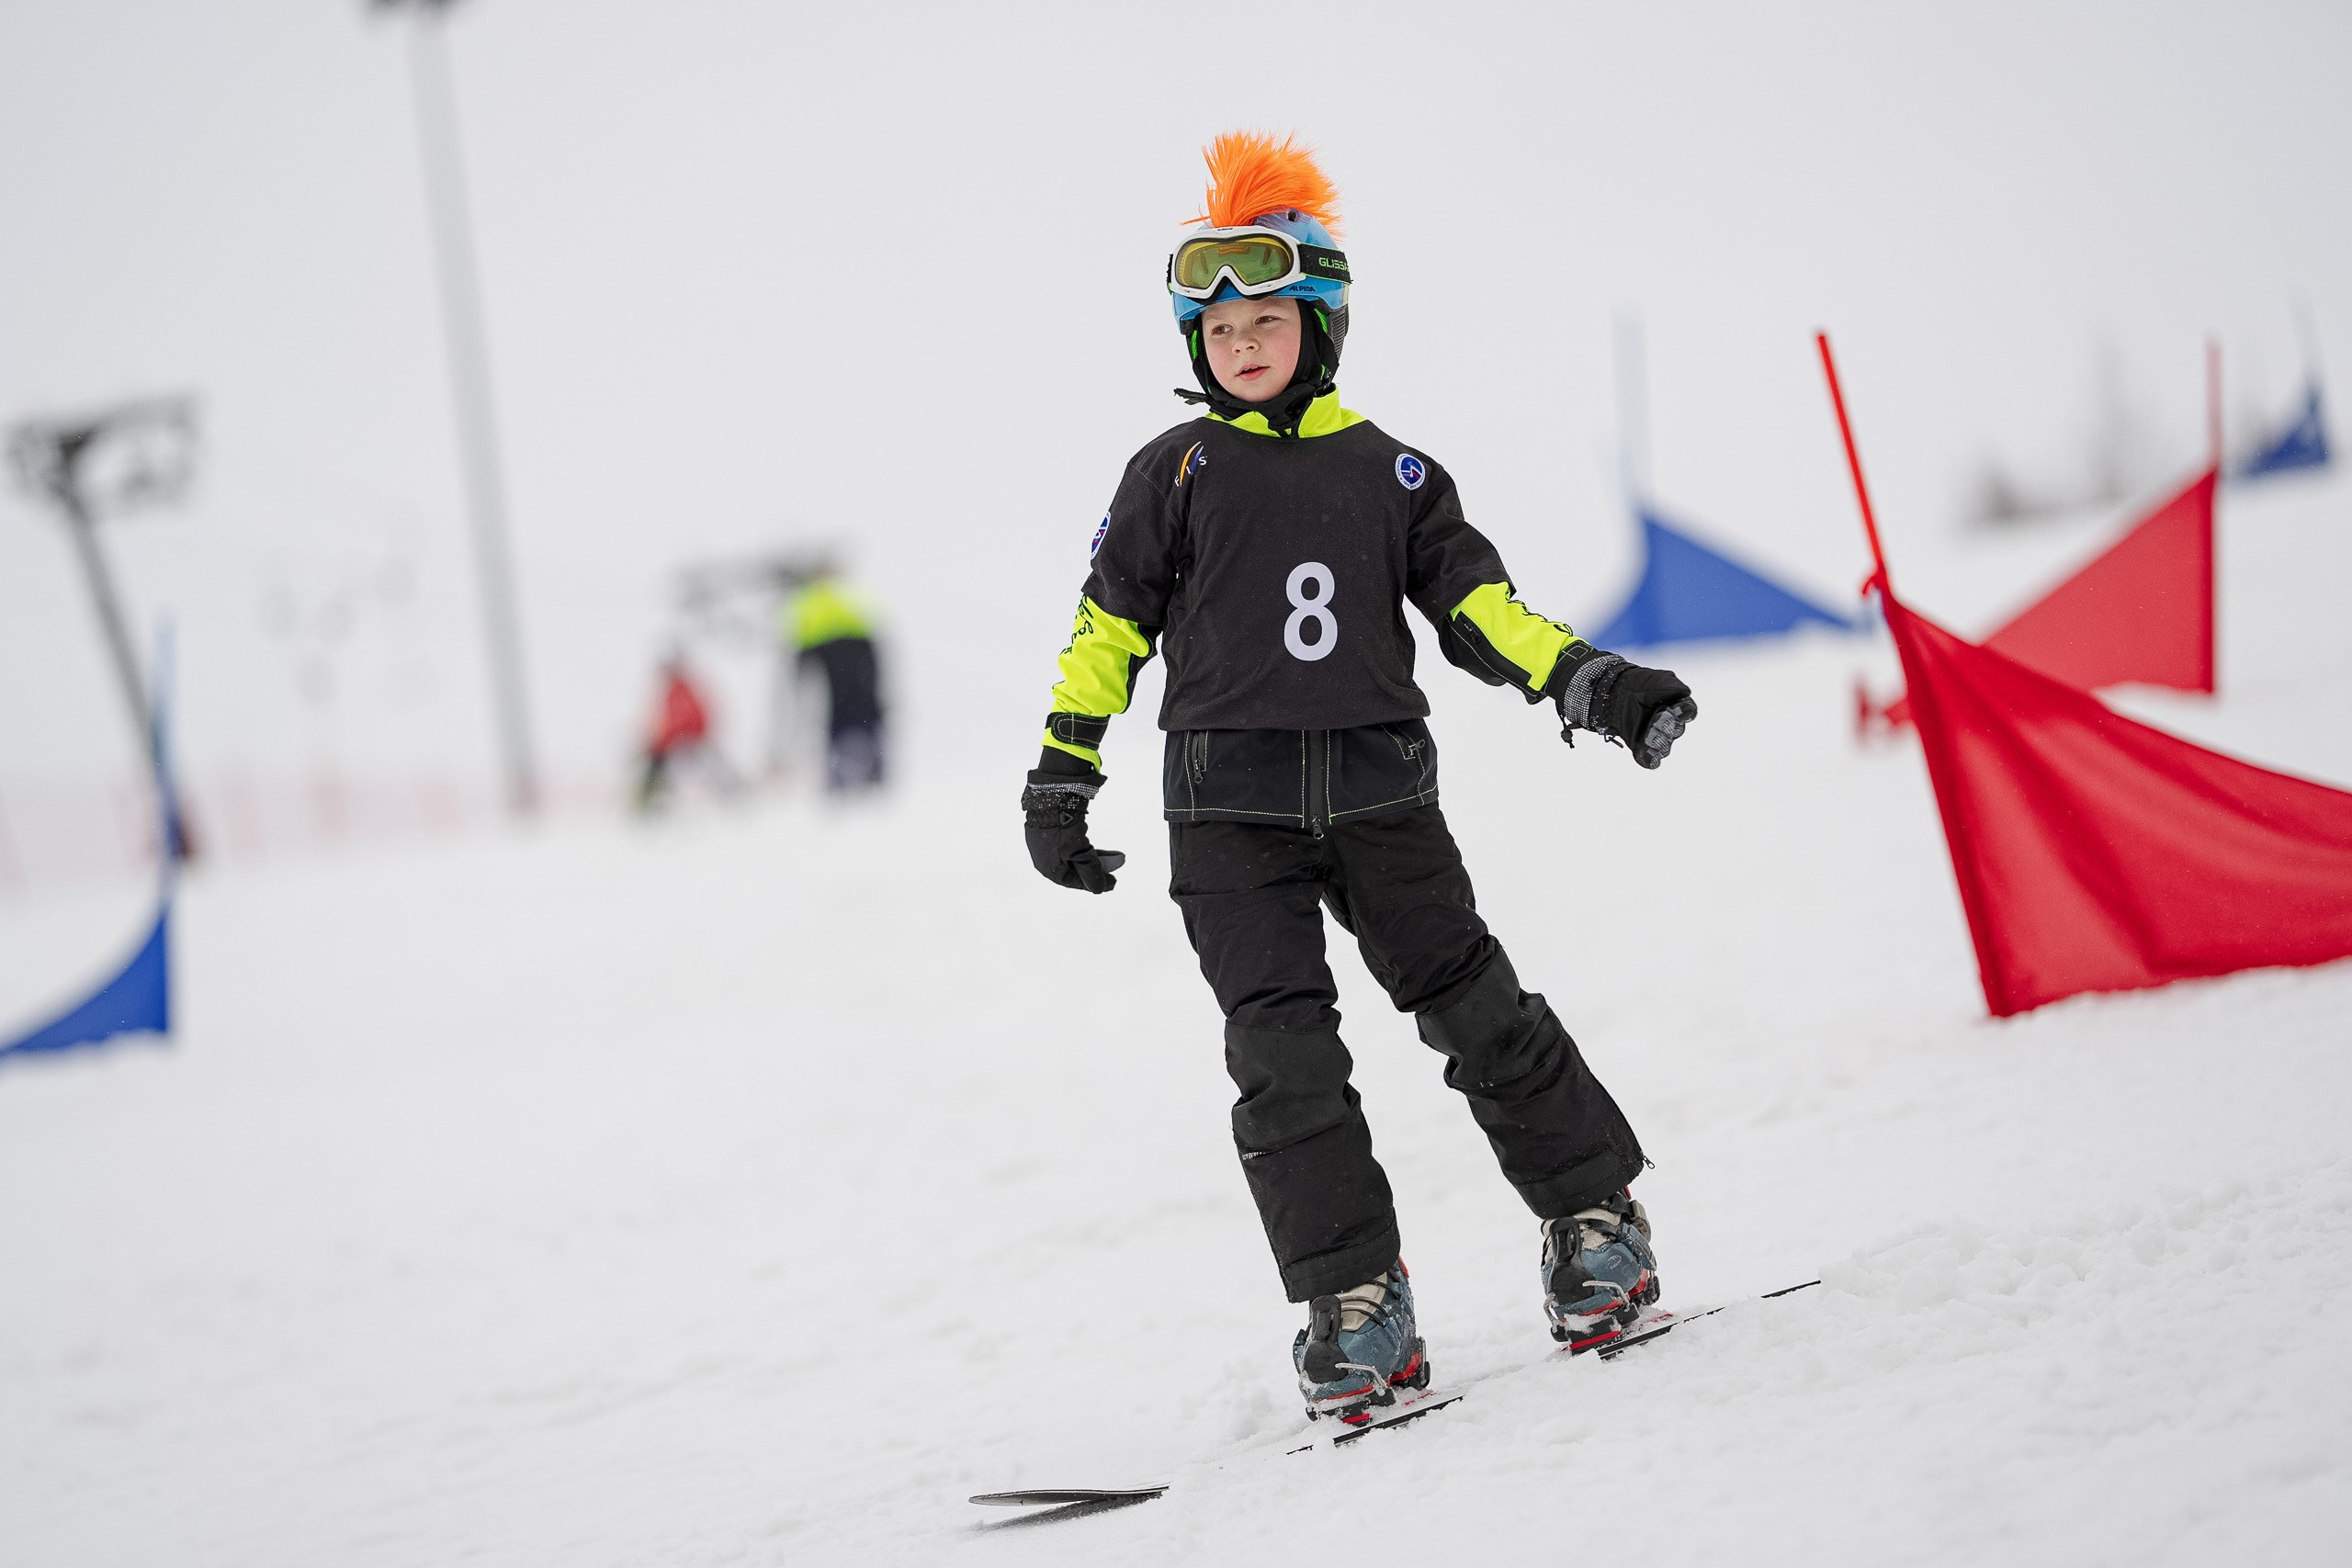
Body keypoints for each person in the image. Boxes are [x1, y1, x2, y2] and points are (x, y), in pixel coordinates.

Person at [1020, 133, 1699, 1425]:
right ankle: (1355, 1303)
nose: (1239, 345)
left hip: (1383, 797)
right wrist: (1062, 773)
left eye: (1266, 319)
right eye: (1216, 330)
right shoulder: (1172, 472)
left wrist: (1594, 683)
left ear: (1321, 324)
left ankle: (1597, 1220)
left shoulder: (1393, 473)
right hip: (1226, 815)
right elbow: (1104, 627)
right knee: (1284, 1061)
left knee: (1478, 1008)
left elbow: (1483, 610)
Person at [786, 574, 887, 794]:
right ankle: (874, 775)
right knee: (864, 712)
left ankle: (839, 779)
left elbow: (802, 648)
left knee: (842, 715)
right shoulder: (843, 596)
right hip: (855, 653)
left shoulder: (807, 602)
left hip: (832, 657)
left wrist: (800, 673)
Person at [635, 651, 731, 812]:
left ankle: (651, 797)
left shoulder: (683, 691)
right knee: (655, 762)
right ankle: (650, 798)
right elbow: (663, 725)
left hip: (691, 743)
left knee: (710, 766)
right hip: (676, 744)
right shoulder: (671, 693)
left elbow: (693, 719)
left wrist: (682, 737)